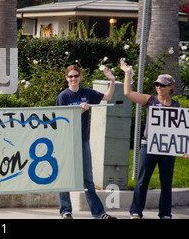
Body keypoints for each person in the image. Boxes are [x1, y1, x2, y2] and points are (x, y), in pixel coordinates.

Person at [120, 62, 185, 219]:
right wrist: (127, 73)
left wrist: (184, 148)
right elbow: (128, 93)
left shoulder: (177, 107)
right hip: (148, 144)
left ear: (171, 87)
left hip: (168, 148)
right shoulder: (150, 100)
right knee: (142, 180)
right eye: (157, 85)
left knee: (166, 182)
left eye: (162, 85)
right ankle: (136, 211)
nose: (159, 88)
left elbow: (182, 130)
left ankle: (165, 213)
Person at [56, 65, 117, 219]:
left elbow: (108, 97)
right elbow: (61, 120)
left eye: (76, 76)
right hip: (66, 141)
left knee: (88, 179)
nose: (73, 79)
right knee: (64, 177)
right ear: (66, 78)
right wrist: (80, 110)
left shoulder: (87, 93)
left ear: (80, 77)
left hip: (82, 140)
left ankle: (98, 213)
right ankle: (66, 211)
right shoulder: (63, 96)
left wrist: (112, 81)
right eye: (70, 76)